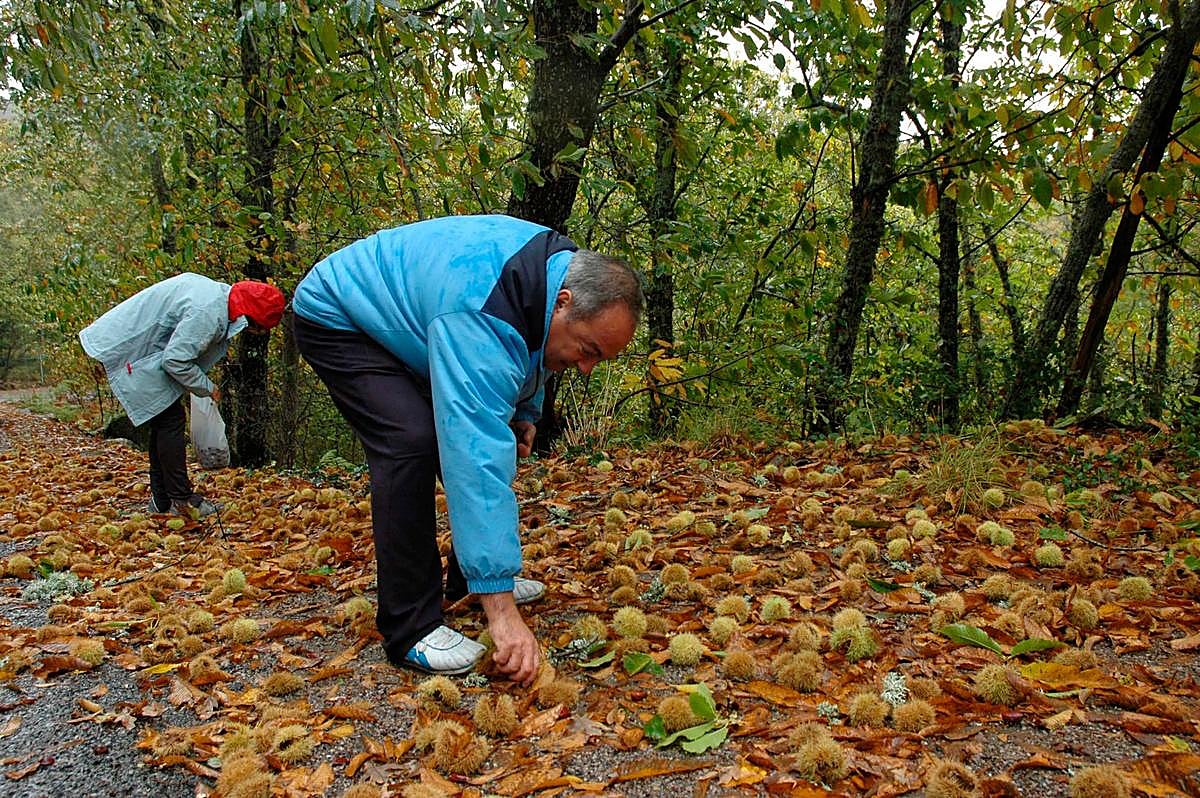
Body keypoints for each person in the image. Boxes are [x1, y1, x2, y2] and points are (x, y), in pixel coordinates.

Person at [292, 214, 642, 685]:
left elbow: (531, 348)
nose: (585, 368)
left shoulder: (555, 277)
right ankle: (411, 627)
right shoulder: (483, 312)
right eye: (589, 350)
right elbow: (474, 457)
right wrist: (502, 610)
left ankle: (465, 580)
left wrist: (525, 410)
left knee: (492, 435)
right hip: (342, 316)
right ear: (564, 303)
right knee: (410, 442)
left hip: (420, 322)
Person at [80, 273, 286, 518]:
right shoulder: (208, 312)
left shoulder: (215, 297)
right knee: (170, 422)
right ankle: (181, 499)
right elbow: (175, 360)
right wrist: (207, 387)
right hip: (128, 349)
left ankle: (162, 501)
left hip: (130, 344)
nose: (256, 332)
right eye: (259, 328)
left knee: (165, 420)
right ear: (251, 316)